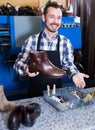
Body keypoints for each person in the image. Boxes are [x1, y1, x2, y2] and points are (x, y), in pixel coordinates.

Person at [13, 2, 89, 97]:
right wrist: (26, 69)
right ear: (44, 18)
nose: (55, 21)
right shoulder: (32, 41)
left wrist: (75, 74)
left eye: (58, 18)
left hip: (56, 93)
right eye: (51, 17)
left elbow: (69, 65)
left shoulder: (65, 43)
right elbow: (17, 64)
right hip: (35, 94)